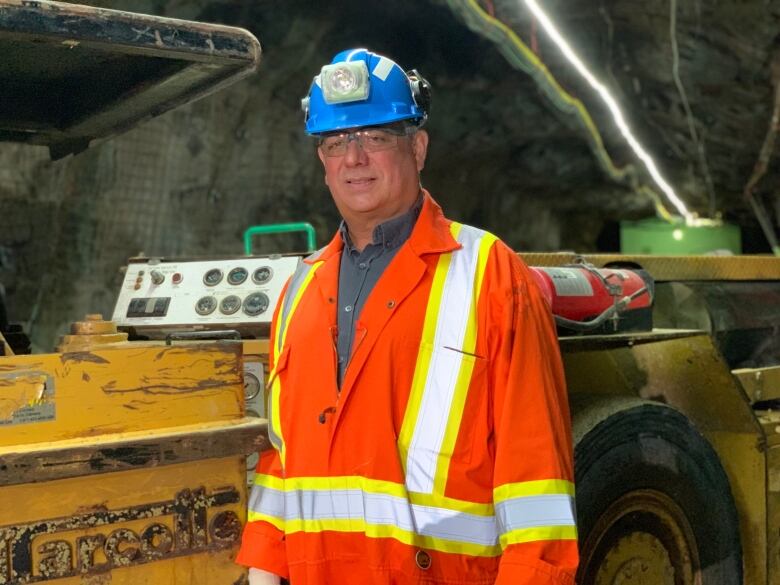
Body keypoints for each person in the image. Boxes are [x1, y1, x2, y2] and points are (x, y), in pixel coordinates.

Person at [236, 48, 578, 585]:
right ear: (321, 160)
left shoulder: (489, 275)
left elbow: (537, 482)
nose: (354, 158)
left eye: (374, 137)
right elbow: (285, 456)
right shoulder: (299, 289)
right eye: (335, 142)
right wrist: (263, 568)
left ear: (417, 147)